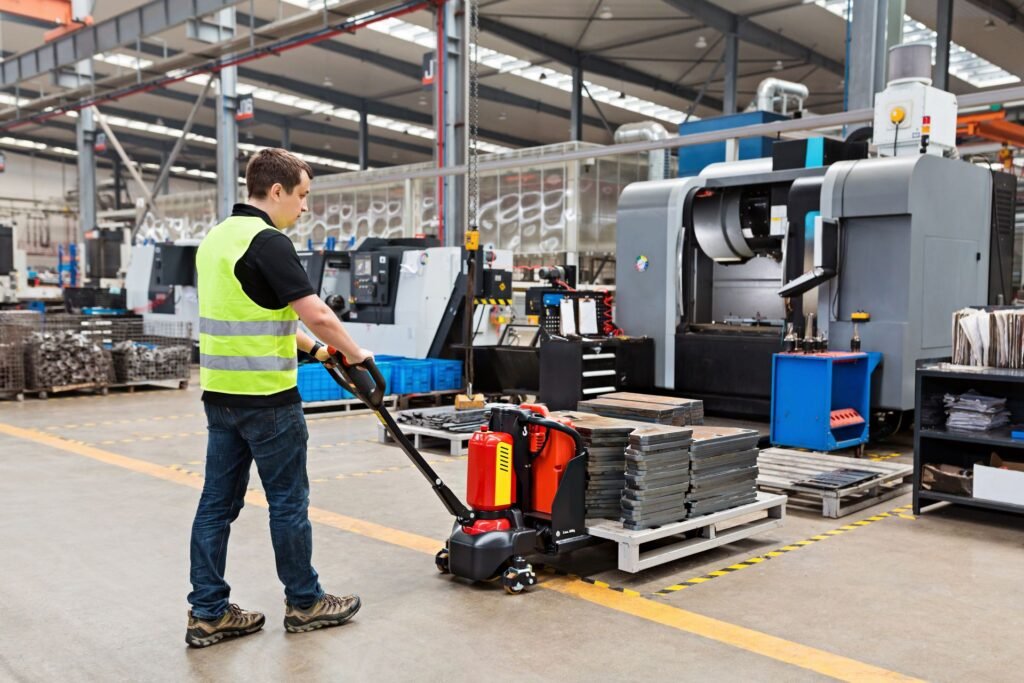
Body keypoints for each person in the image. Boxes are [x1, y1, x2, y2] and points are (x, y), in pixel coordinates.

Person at [185, 148, 373, 648]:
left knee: (215, 506)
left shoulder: (216, 240)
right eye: (302, 195)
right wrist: (355, 353)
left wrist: (319, 352)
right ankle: (306, 603)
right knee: (288, 504)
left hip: (221, 399)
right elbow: (317, 313)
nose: (304, 207)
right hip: (269, 401)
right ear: (276, 192)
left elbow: (259, 314)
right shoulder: (269, 241)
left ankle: (207, 612)